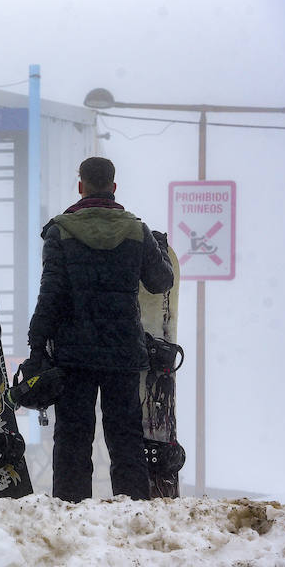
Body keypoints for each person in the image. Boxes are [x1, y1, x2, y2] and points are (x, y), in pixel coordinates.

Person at [25, 156, 173, 502]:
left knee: (73, 439)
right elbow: (161, 282)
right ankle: (132, 509)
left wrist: (36, 346)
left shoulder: (60, 231)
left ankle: (71, 511)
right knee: (125, 439)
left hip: (73, 354)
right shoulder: (137, 231)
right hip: (123, 351)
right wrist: (160, 250)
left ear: (81, 186)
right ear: (113, 186)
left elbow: (51, 294)